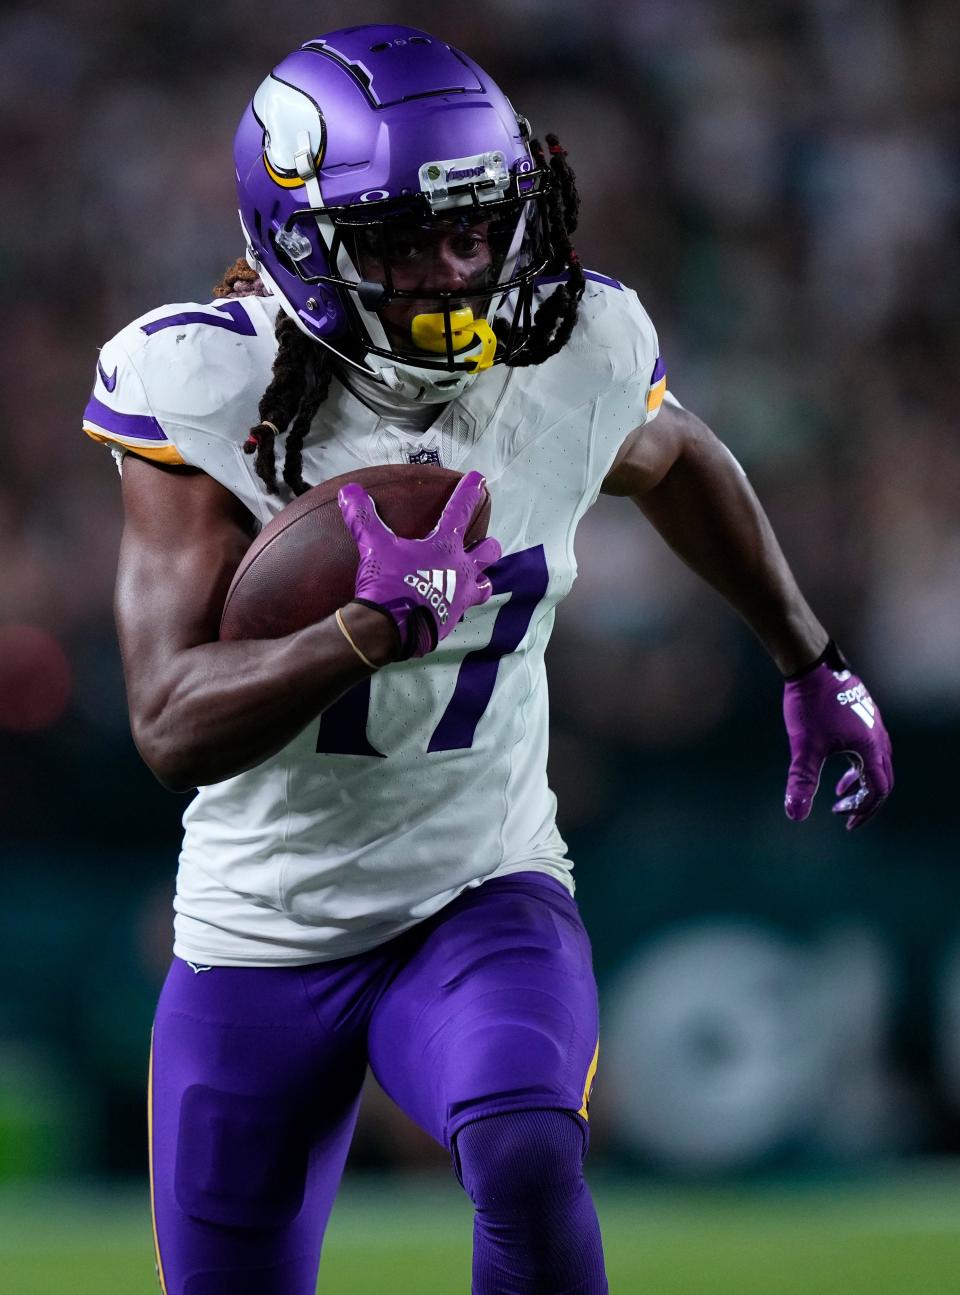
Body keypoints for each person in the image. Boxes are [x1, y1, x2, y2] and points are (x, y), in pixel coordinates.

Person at [82, 23, 893, 1295]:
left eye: (476, 229)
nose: (452, 271)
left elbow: (679, 458)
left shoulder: (575, 351)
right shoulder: (207, 383)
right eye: (405, 238)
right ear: (298, 237)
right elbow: (169, 720)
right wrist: (361, 628)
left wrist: (810, 656)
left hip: (478, 886)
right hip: (258, 927)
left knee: (524, 1147)